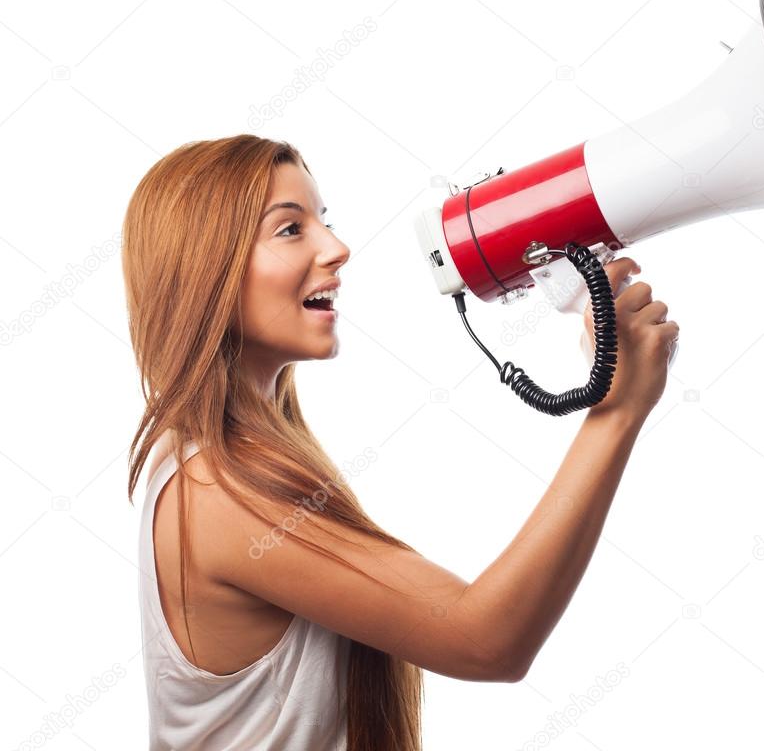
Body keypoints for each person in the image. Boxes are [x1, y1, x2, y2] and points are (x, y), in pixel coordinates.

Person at [123, 134, 679, 751]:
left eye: (324, 221)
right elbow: (485, 640)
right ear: (205, 267)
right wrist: (617, 410)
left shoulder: (222, 463)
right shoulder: (220, 494)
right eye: (289, 229)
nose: (336, 248)